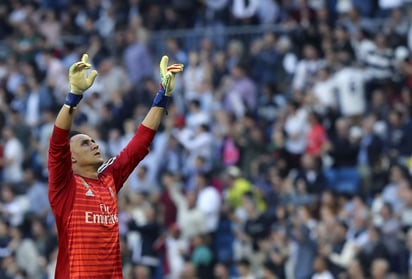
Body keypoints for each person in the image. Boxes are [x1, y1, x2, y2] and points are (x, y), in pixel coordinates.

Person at [47, 53, 183, 278]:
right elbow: (57, 140)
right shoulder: (64, 186)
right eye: (84, 143)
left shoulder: (108, 178)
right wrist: (74, 96)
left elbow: (139, 144)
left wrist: (163, 96)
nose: (93, 144)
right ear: (70, 158)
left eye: (92, 140)